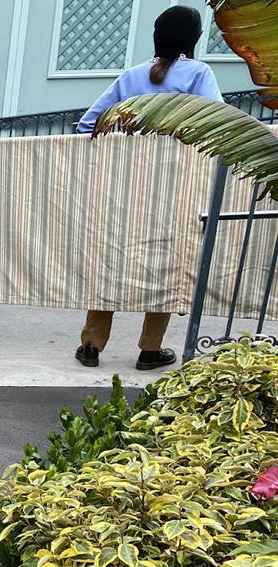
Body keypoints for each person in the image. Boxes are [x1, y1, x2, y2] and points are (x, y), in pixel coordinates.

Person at [74, 5, 222, 370]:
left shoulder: (131, 76)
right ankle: (150, 350)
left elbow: (86, 125)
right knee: (165, 261)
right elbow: (218, 123)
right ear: (193, 38)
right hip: (174, 189)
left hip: (123, 188)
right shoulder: (199, 73)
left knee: (111, 259)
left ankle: (91, 346)